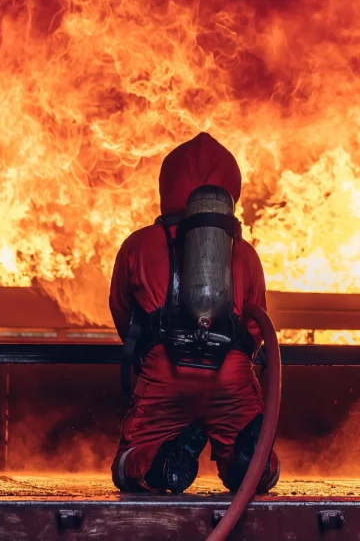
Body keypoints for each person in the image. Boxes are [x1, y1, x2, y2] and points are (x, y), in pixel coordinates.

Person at [109, 132, 279, 494]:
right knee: (256, 472)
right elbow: (257, 322)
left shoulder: (139, 244)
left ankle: (164, 462)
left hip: (165, 370)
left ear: (168, 184)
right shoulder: (245, 253)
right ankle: (251, 460)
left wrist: (147, 352)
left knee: (129, 464)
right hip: (230, 375)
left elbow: (122, 311)